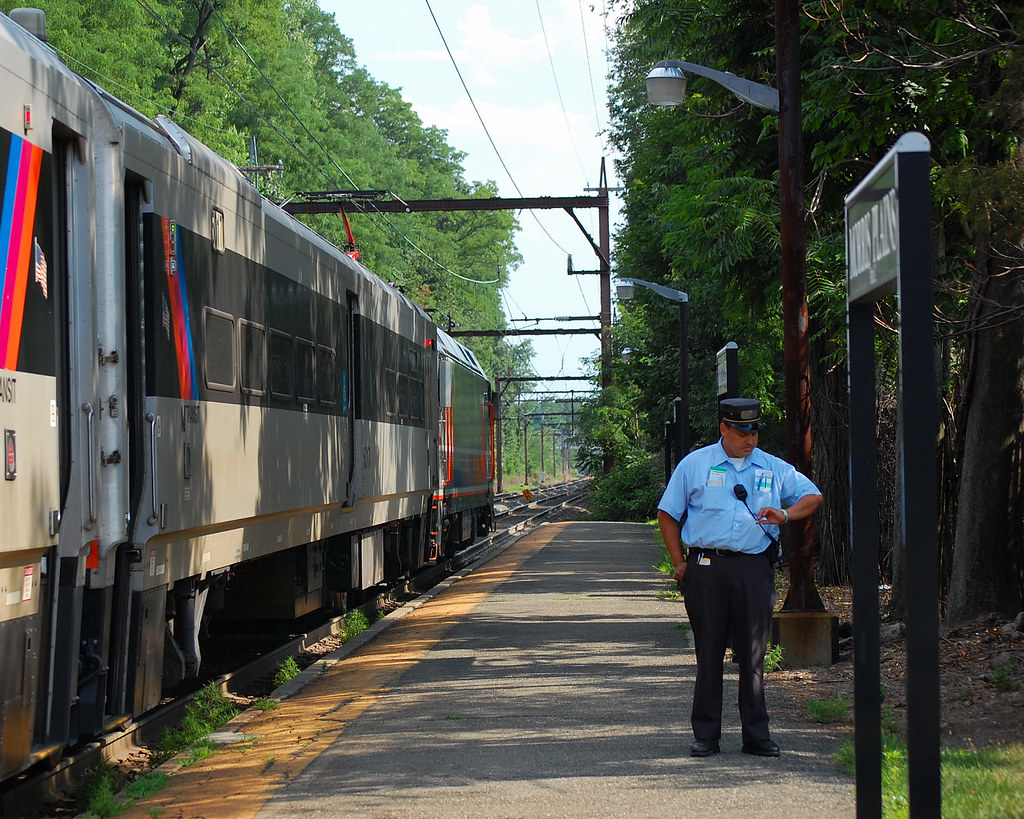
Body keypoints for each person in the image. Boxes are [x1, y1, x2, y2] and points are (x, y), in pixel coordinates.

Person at [657, 397, 822, 758]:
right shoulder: (695, 465)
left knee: (753, 655)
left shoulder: (772, 467)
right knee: (710, 652)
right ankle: (706, 735)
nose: (750, 440)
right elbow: (668, 513)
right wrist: (677, 562)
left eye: (755, 432)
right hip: (706, 568)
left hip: (753, 568)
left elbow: (813, 495)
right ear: (724, 430)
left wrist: (786, 514)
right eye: (742, 432)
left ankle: (757, 735)